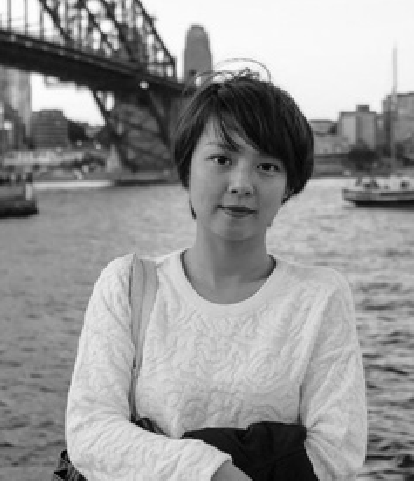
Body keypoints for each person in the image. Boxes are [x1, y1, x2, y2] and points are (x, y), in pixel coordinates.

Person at [66, 66, 367, 480]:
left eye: (267, 166)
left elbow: (338, 453)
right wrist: (211, 471)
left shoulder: (320, 297)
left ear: (289, 186)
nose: (242, 183)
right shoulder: (126, 285)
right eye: (222, 159)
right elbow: (90, 431)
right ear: (186, 170)